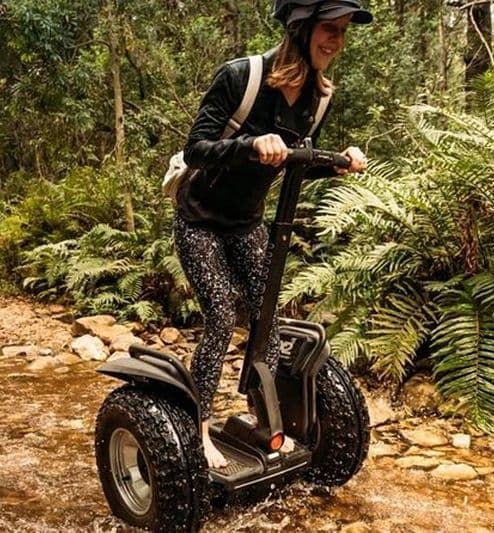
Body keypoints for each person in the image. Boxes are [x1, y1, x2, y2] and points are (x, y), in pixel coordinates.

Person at [175, 0, 372, 468]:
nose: (337, 41)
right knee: (222, 316)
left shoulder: (319, 97)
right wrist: (250, 144)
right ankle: (198, 427)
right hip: (199, 219)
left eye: (343, 31)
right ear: (302, 29)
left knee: (271, 318)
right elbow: (196, 149)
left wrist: (337, 164)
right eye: (329, 28)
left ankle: (266, 418)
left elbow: (294, 167)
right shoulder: (241, 78)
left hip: (246, 224)